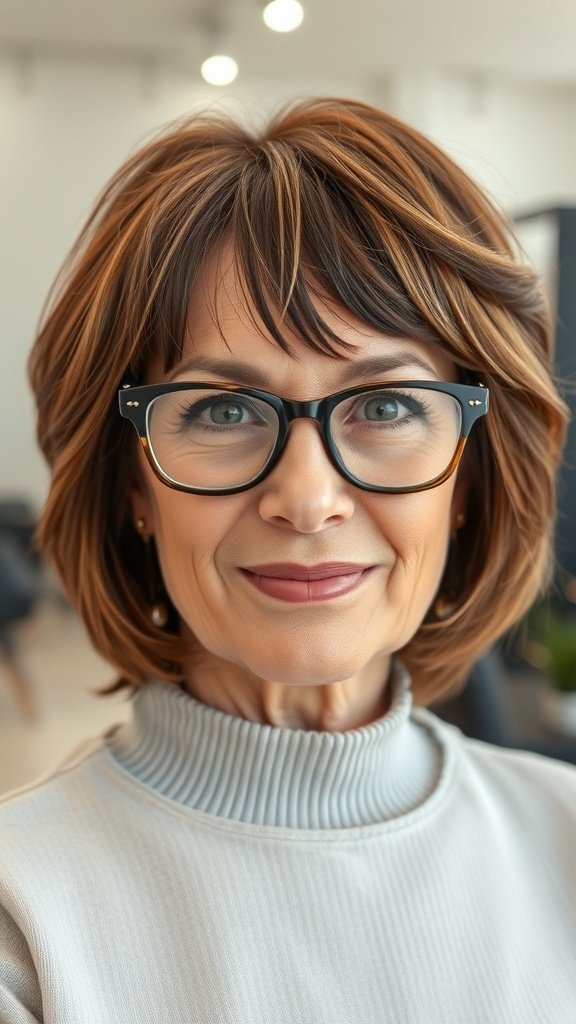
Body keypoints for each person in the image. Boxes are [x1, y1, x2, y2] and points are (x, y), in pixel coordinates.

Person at [0, 96, 574, 1024]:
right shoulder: (21, 922)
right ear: (132, 487)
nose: (307, 500)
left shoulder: (565, 844)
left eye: (385, 406)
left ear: (466, 478)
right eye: (222, 411)